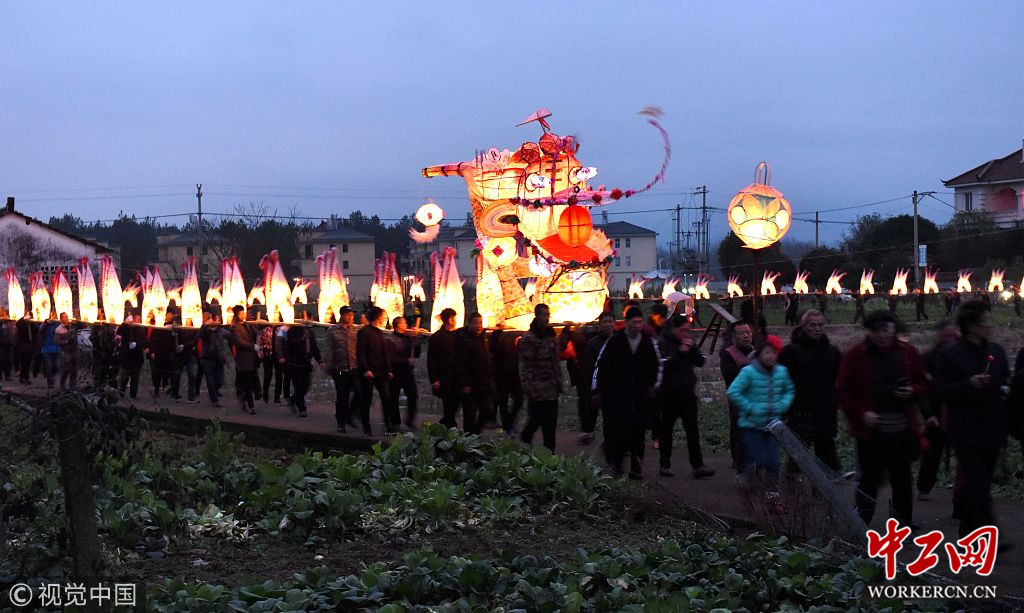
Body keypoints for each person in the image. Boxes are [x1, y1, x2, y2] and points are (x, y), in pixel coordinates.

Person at [837, 310, 927, 528]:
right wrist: (861, 413)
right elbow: (842, 392)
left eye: (885, 329)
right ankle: (861, 524)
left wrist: (912, 391)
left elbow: (923, 383)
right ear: (869, 332)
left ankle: (902, 523)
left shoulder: (908, 352)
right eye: (876, 331)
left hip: (902, 427)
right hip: (870, 430)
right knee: (869, 479)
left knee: (902, 478)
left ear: (893, 328)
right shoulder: (855, 355)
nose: (882, 335)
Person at [935, 301, 1010, 537]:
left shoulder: (996, 351)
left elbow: (1004, 381)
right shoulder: (950, 354)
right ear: (971, 325)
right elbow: (940, 392)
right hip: (965, 431)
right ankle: (990, 534)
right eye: (985, 321)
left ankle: (968, 532)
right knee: (977, 482)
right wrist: (968, 385)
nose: (989, 325)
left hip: (992, 429)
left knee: (982, 483)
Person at [592, 306, 662, 480]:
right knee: (620, 431)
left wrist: (654, 386)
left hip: (640, 397)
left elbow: (657, 366)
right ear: (626, 323)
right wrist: (597, 390)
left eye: (640, 322)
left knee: (638, 432)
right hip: (618, 397)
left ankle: (636, 468)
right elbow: (601, 366)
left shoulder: (648, 342)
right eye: (634, 322)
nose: (637, 326)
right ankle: (617, 464)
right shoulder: (615, 341)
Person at [727, 337, 794, 496]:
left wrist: (781, 405)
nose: (771, 356)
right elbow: (733, 392)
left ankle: (772, 492)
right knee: (757, 457)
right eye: (767, 353)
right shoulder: (748, 372)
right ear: (759, 354)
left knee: (773, 460)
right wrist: (750, 407)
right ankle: (748, 480)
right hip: (751, 424)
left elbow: (789, 390)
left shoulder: (781, 371)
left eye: (774, 353)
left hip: (773, 425)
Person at [777, 309, 842, 473]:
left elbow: (840, 378)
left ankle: (827, 487)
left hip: (826, 411)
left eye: (820, 325)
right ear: (803, 326)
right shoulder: (791, 351)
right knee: (798, 456)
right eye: (813, 325)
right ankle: (793, 487)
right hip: (800, 412)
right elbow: (780, 381)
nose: (817, 329)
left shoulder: (832, 352)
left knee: (826, 455)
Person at [656, 314, 714, 478]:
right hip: (668, 394)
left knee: (692, 430)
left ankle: (698, 466)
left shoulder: (688, 340)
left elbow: (700, 361)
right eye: (682, 330)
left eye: (687, 330)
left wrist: (692, 349)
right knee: (666, 430)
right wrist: (680, 352)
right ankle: (665, 464)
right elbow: (662, 365)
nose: (685, 333)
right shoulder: (662, 342)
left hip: (687, 393)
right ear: (673, 329)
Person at [917, 320, 959, 502]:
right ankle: (924, 487)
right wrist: (928, 414)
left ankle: (960, 485)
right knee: (933, 452)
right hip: (937, 412)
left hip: (957, 411)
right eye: (948, 335)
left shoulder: (961, 355)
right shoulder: (929, 358)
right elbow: (923, 390)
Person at [518, 304, 562, 451]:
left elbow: (556, 360)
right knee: (535, 420)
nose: (546, 318)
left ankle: (550, 455)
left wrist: (559, 382)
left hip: (552, 388)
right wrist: (528, 388)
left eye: (547, 314)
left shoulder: (551, 335)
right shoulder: (529, 339)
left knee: (550, 425)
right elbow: (525, 366)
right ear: (536, 316)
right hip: (536, 390)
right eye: (543, 314)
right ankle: (525, 439)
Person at [720, 320, 755, 471]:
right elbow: (730, 378)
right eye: (742, 333)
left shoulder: (755, 351)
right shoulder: (728, 354)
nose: (746, 336)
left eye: (748, 332)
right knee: (739, 430)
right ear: (734, 336)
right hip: (738, 399)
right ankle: (740, 462)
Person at [454, 312, 497, 434]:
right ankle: (469, 439)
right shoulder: (462, 339)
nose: (478, 326)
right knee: (470, 415)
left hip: (482, 383)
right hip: (469, 384)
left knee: (488, 410)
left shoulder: (482, 337)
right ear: (469, 324)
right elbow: (460, 363)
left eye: (480, 323)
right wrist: (464, 384)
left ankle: (476, 432)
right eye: (475, 323)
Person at [577, 312, 615, 444]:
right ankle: (588, 432)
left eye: (610, 321)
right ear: (600, 324)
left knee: (611, 417)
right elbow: (588, 369)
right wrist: (591, 389)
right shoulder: (593, 344)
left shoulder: (618, 341)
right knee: (592, 410)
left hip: (614, 386)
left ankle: (611, 442)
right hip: (597, 385)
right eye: (605, 322)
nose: (608, 325)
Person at [356, 306, 394, 435]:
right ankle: (366, 427)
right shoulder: (364, 332)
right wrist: (365, 369)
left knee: (386, 397)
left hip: (381, 372)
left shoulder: (379, 332)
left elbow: (385, 353)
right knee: (367, 399)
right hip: (369, 372)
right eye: (383, 315)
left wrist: (389, 369)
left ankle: (388, 426)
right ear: (378, 316)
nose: (385, 318)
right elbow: (360, 352)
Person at [325, 306, 359, 432]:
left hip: (354, 367)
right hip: (339, 368)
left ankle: (350, 414)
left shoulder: (355, 329)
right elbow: (329, 350)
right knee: (342, 396)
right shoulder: (332, 331)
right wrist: (329, 367)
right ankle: (341, 422)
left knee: (359, 393)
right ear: (342, 315)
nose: (351, 317)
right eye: (348, 315)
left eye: (352, 315)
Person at [427, 307, 460, 428]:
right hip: (444, 375)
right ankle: (450, 426)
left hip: (455, 375)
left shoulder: (457, 335)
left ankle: (444, 423)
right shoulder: (437, 337)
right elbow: (431, 359)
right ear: (450, 319)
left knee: (455, 401)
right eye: (454, 318)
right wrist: (434, 379)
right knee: (448, 401)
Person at [387, 316, 421, 429]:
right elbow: (391, 358)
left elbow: (417, 353)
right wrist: (406, 361)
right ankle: (395, 422)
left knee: (413, 395)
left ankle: (409, 420)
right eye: (404, 323)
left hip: (407, 373)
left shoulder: (408, 338)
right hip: (395, 373)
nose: (406, 325)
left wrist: (416, 339)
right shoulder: (391, 339)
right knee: (393, 398)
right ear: (398, 325)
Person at [490, 324, 524, 436]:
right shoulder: (496, 336)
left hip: (514, 373)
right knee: (503, 402)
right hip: (501, 375)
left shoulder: (518, 334)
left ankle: (510, 423)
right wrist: (497, 331)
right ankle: (507, 426)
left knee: (519, 399)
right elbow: (493, 348)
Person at [227, 305, 260, 414]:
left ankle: (245, 398)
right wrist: (252, 346)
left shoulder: (247, 324)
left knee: (253, 380)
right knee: (247, 382)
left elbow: (254, 334)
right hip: (243, 358)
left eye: (243, 313)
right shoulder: (234, 327)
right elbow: (239, 342)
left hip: (252, 358)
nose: (243, 315)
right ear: (236, 315)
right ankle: (251, 406)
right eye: (240, 313)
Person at [284, 323, 322, 418]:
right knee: (299, 387)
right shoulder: (292, 331)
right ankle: (302, 409)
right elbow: (290, 345)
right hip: (295, 363)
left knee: (306, 386)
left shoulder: (310, 332)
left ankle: (293, 399)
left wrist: (319, 360)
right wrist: (301, 339)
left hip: (306, 363)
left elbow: (314, 347)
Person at [198, 312, 227, 406]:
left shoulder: (221, 330)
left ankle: (215, 390)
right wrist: (205, 325)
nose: (218, 321)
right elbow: (199, 334)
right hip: (207, 358)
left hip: (218, 358)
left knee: (220, 380)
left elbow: (230, 335)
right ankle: (214, 399)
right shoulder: (206, 330)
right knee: (210, 379)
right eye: (217, 319)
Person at [146, 312, 177, 399]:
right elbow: (152, 339)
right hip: (158, 351)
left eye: (171, 314)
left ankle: (166, 386)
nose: (170, 316)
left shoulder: (174, 326)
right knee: (157, 372)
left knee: (167, 371)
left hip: (168, 352)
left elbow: (175, 338)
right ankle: (157, 390)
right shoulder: (159, 325)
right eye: (168, 314)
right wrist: (152, 351)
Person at [116, 317, 147, 399]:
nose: (137, 321)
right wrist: (125, 323)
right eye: (136, 319)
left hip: (137, 357)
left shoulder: (142, 329)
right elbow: (119, 332)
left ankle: (133, 394)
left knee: (135, 378)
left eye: (139, 319)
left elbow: (144, 341)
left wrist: (136, 344)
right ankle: (122, 393)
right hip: (126, 356)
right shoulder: (125, 328)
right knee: (124, 377)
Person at [54, 312, 80, 390]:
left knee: (74, 369)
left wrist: (78, 321)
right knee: (66, 369)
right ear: (61, 319)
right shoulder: (59, 329)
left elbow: (84, 326)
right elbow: (56, 340)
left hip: (75, 350)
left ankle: (73, 385)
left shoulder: (73, 326)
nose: (66, 318)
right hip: (66, 351)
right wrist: (65, 342)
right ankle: (62, 384)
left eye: (66, 316)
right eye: (64, 317)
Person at [39, 314, 60, 388]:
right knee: (49, 366)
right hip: (46, 348)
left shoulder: (58, 324)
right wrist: (46, 323)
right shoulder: (45, 324)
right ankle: (50, 382)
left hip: (57, 348)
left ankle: (52, 376)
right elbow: (41, 330)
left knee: (56, 365)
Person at [14, 313, 35, 385]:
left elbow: (36, 331)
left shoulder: (32, 324)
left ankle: (24, 377)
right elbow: (18, 324)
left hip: (30, 345)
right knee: (24, 362)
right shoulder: (21, 324)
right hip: (22, 346)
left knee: (28, 363)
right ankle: (25, 377)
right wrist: (24, 318)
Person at [0, 313, 13, 381]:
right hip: (2, 343)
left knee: (9, 360)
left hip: (9, 343)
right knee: (1, 359)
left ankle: (7, 375)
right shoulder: (1, 323)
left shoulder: (11, 323)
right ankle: (1, 375)